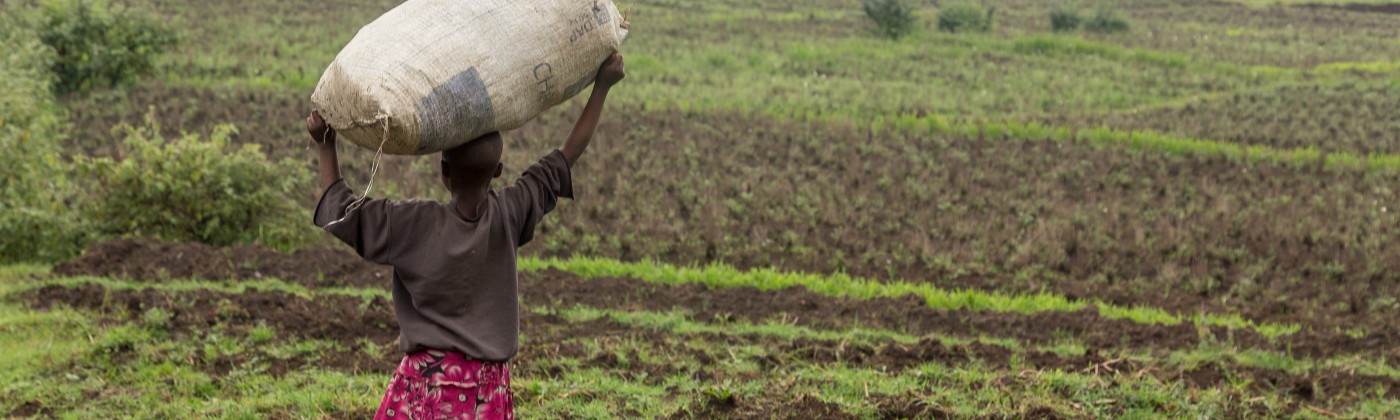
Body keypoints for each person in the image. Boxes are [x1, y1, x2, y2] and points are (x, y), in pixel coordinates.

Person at [305, 53, 625, 420]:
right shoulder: (510, 214)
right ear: (499, 171)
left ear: (443, 171)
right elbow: (566, 156)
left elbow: (342, 212)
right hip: (486, 391)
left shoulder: (411, 224)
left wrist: (326, 144)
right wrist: (601, 87)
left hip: (425, 387)